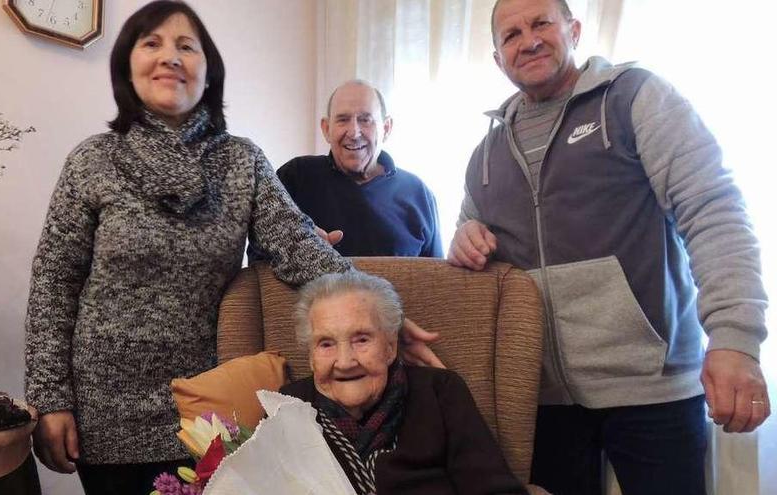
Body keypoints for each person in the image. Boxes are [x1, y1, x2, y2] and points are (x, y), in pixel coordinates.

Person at [22, 2, 358, 493]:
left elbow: (297, 244)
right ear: (126, 65)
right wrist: (51, 399)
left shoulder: (242, 161)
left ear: (208, 70)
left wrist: (373, 304)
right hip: (104, 410)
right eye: (151, 43)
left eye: (186, 46)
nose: (170, 57)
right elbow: (54, 282)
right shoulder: (93, 159)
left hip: (207, 406)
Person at [447, 0, 770, 494]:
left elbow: (713, 211)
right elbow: (471, 230)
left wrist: (733, 339)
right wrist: (463, 238)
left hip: (653, 387)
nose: (528, 40)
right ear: (497, 58)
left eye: (540, 24)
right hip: (543, 399)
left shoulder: (635, 97)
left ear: (573, 30)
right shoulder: (485, 153)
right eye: (510, 35)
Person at [281, 271, 528, 495]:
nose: (345, 362)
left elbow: (496, 490)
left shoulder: (440, 392)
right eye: (326, 344)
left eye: (362, 339)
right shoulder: (286, 407)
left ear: (390, 346)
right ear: (311, 357)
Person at [252, 80, 442, 258]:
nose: (353, 132)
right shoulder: (294, 178)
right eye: (343, 120)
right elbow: (257, 258)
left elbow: (435, 279)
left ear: (386, 128)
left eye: (365, 120)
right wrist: (298, 252)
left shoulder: (419, 194)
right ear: (326, 129)